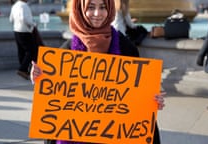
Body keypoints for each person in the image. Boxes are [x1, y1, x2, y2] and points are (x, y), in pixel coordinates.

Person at [30, 0, 165, 143]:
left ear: (110, 9)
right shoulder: (66, 53)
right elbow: (54, 102)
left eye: (103, 7)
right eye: (91, 7)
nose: (97, 14)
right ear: (80, 9)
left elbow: (138, 97)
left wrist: (152, 100)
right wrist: (39, 76)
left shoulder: (126, 47)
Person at [9, 0, 38, 80]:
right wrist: (34, 24)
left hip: (16, 30)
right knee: (31, 51)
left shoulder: (15, 6)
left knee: (21, 50)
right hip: (25, 31)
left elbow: (11, 19)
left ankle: (24, 70)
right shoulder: (24, 6)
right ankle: (22, 69)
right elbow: (25, 18)